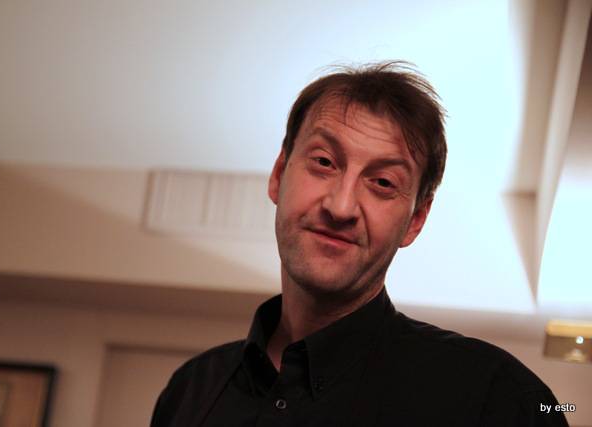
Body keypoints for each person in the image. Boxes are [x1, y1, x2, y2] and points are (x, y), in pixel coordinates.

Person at [150, 62, 568, 427]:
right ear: (279, 174)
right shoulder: (190, 391)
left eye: (383, 182)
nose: (341, 206)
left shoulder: (499, 400)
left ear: (416, 220)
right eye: (324, 162)